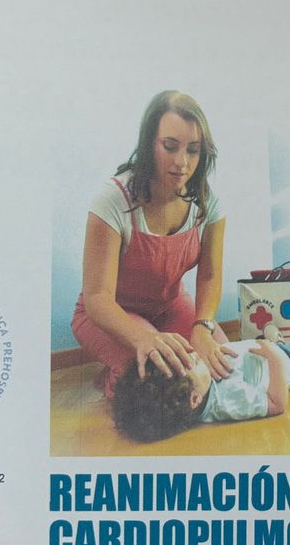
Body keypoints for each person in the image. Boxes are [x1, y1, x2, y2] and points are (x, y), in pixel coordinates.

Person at [73, 91, 236, 398]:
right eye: (170, 147)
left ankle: (128, 361)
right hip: (110, 315)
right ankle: (117, 371)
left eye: (193, 150)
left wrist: (203, 328)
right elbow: (97, 299)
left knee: (223, 368)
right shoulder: (113, 200)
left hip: (170, 307)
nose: (182, 162)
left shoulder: (208, 202)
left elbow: (210, 275)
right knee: (161, 381)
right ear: (150, 143)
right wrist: (143, 339)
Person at [112, 337, 290, 441]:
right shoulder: (229, 400)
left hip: (265, 354)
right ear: (194, 399)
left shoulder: (200, 388)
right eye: (192, 362)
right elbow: (276, 404)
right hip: (289, 363)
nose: (193, 354)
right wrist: (275, 356)